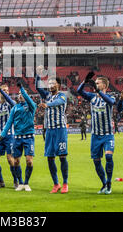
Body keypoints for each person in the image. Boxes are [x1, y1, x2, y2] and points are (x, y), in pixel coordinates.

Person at [77, 74, 115, 195]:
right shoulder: (92, 97)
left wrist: (98, 90)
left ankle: (109, 183)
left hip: (108, 134)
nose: (96, 84)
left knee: (109, 157)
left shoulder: (110, 96)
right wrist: (84, 81)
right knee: (96, 161)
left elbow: (111, 102)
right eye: (96, 83)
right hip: (95, 136)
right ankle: (104, 183)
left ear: (104, 85)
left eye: (98, 83)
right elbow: (79, 91)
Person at [35, 66, 69, 194]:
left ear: (58, 85)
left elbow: (58, 102)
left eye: (53, 83)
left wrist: (47, 104)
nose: (50, 85)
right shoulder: (47, 95)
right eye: (49, 83)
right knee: (49, 157)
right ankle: (56, 184)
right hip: (49, 130)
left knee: (62, 156)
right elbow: (38, 87)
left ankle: (65, 183)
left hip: (60, 130)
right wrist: (38, 74)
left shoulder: (62, 96)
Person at [0, 81, 37, 192]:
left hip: (29, 137)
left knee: (29, 161)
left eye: (22, 94)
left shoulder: (31, 106)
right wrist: (3, 134)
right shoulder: (15, 107)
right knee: (16, 162)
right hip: (17, 138)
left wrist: (22, 90)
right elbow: (9, 122)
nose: (20, 96)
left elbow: (29, 100)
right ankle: (20, 182)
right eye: (19, 94)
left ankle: (26, 183)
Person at [0, 84, 18, 189]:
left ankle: (16, 181)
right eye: (3, 90)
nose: (5, 92)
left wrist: (2, 92)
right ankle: (1, 182)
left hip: (9, 135)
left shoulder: (11, 104)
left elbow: (12, 102)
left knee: (10, 159)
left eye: (7, 90)